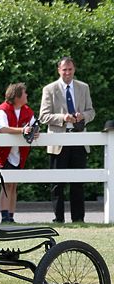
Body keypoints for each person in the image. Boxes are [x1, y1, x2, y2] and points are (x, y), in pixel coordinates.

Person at [39, 57, 95, 223]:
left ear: (74, 69)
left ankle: (78, 219)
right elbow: (43, 116)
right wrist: (63, 118)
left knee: (78, 182)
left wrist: (82, 116)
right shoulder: (49, 89)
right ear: (59, 70)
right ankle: (59, 218)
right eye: (64, 70)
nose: (67, 73)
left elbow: (91, 111)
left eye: (70, 69)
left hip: (79, 139)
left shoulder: (83, 87)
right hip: (58, 141)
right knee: (57, 183)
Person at [0, 83, 39, 224]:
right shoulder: (2, 110)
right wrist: (22, 131)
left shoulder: (27, 111)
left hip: (18, 154)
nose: (27, 95)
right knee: (6, 184)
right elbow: (2, 128)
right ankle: (4, 216)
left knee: (14, 184)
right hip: (2, 153)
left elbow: (34, 126)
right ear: (17, 96)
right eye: (24, 93)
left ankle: (11, 216)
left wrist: (35, 132)